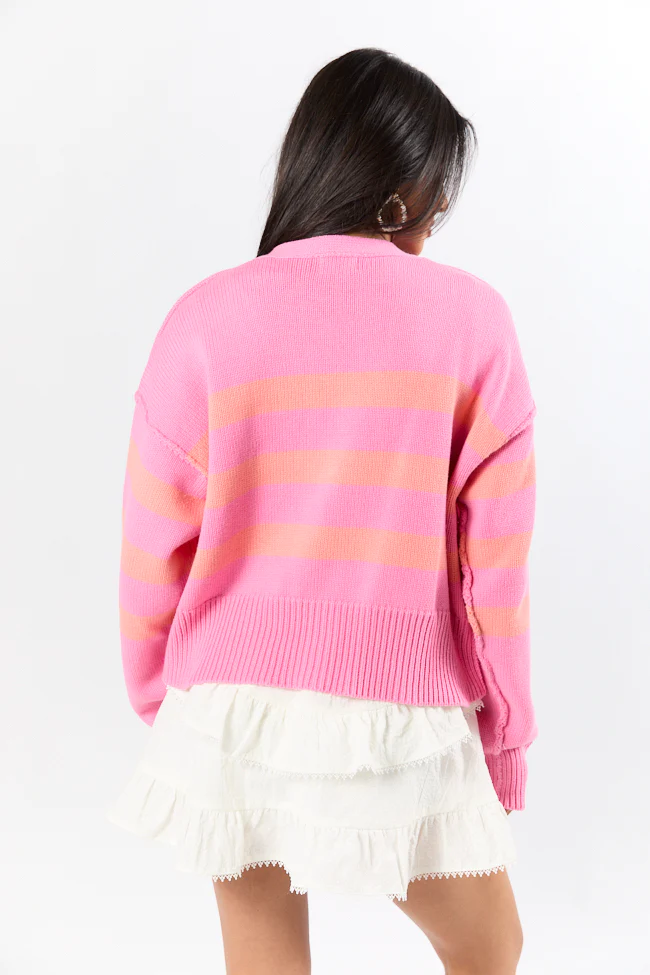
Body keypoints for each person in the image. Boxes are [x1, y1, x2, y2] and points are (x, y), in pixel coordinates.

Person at [107, 47, 537, 975]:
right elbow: (492, 572)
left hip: (229, 709)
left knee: (264, 959)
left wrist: (165, 699)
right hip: (397, 711)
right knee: (490, 946)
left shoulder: (204, 318)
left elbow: (151, 541)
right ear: (399, 192)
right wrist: (505, 731)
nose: (434, 223)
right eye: (434, 200)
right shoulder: (474, 322)